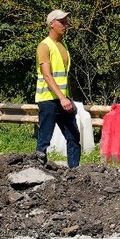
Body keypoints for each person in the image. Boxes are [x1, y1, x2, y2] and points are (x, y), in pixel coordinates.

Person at [34, 9, 81, 169]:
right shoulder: (44, 46)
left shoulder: (63, 45)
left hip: (63, 99)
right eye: (62, 22)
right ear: (51, 24)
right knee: (44, 139)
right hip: (48, 99)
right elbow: (47, 75)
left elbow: (64, 76)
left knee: (73, 136)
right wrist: (62, 97)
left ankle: (74, 172)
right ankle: (38, 171)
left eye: (66, 21)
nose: (65, 25)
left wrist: (67, 98)